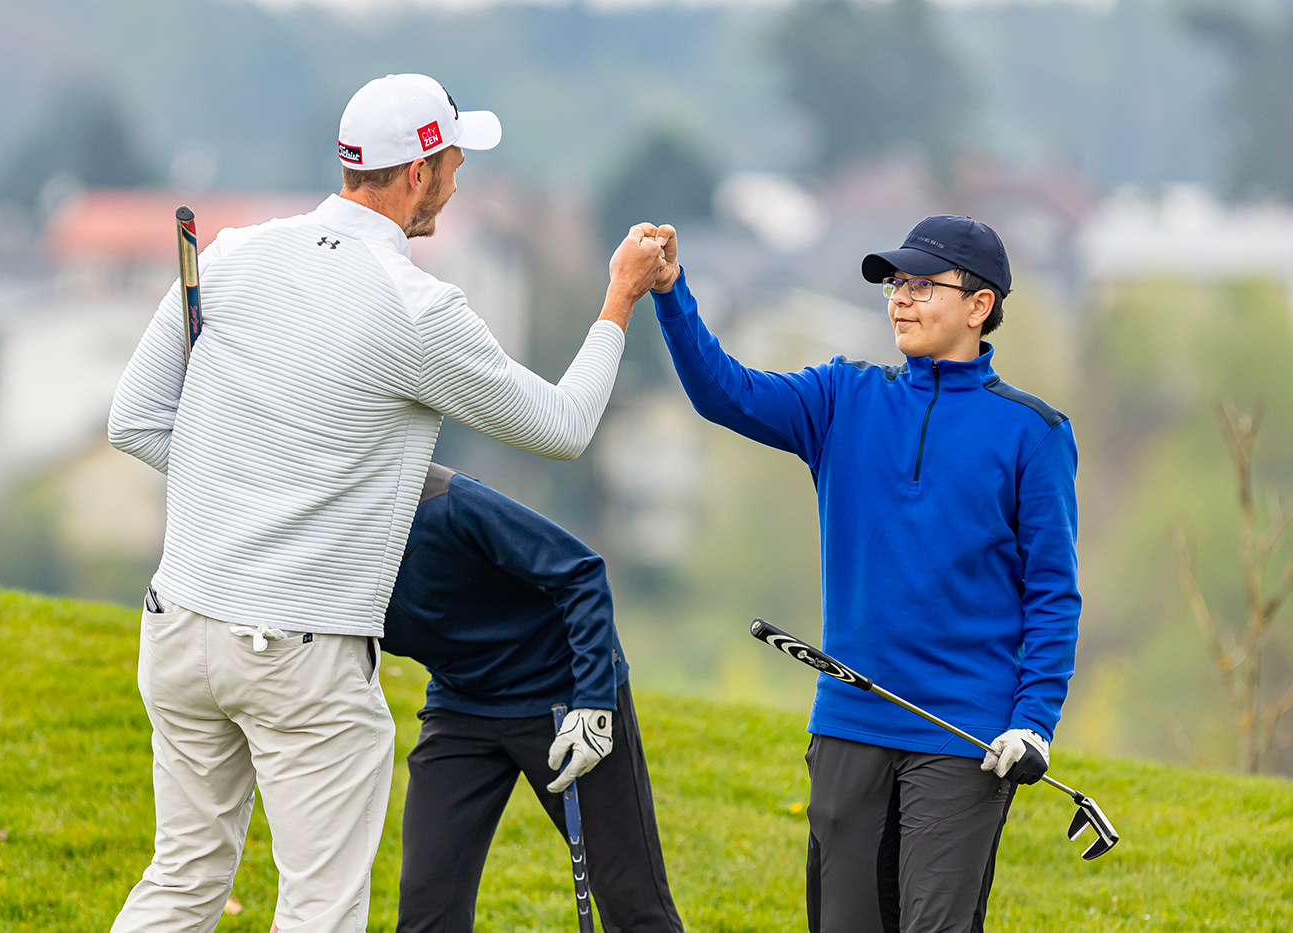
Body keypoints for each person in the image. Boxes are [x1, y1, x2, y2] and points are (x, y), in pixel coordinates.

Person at [106, 73, 666, 933]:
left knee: (181, 880)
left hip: (176, 623)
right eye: (453, 161)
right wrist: (619, 298)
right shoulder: (419, 309)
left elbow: (136, 421)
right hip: (298, 648)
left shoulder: (229, 253)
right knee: (320, 909)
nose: (457, 178)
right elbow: (562, 425)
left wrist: (248, 487)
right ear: (419, 174)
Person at [644, 216, 1079, 933]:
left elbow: (1053, 595)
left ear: (979, 305)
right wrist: (671, 291)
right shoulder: (841, 397)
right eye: (895, 285)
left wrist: (1033, 721)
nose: (900, 299)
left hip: (964, 736)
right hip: (849, 722)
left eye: (922, 285)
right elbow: (724, 392)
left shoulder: (1034, 433)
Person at [376, 462, 683, 933]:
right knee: (426, 913)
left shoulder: (446, 503)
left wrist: (595, 703)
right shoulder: (313, 552)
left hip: (565, 698)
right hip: (459, 705)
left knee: (633, 907)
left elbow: (582, 573)